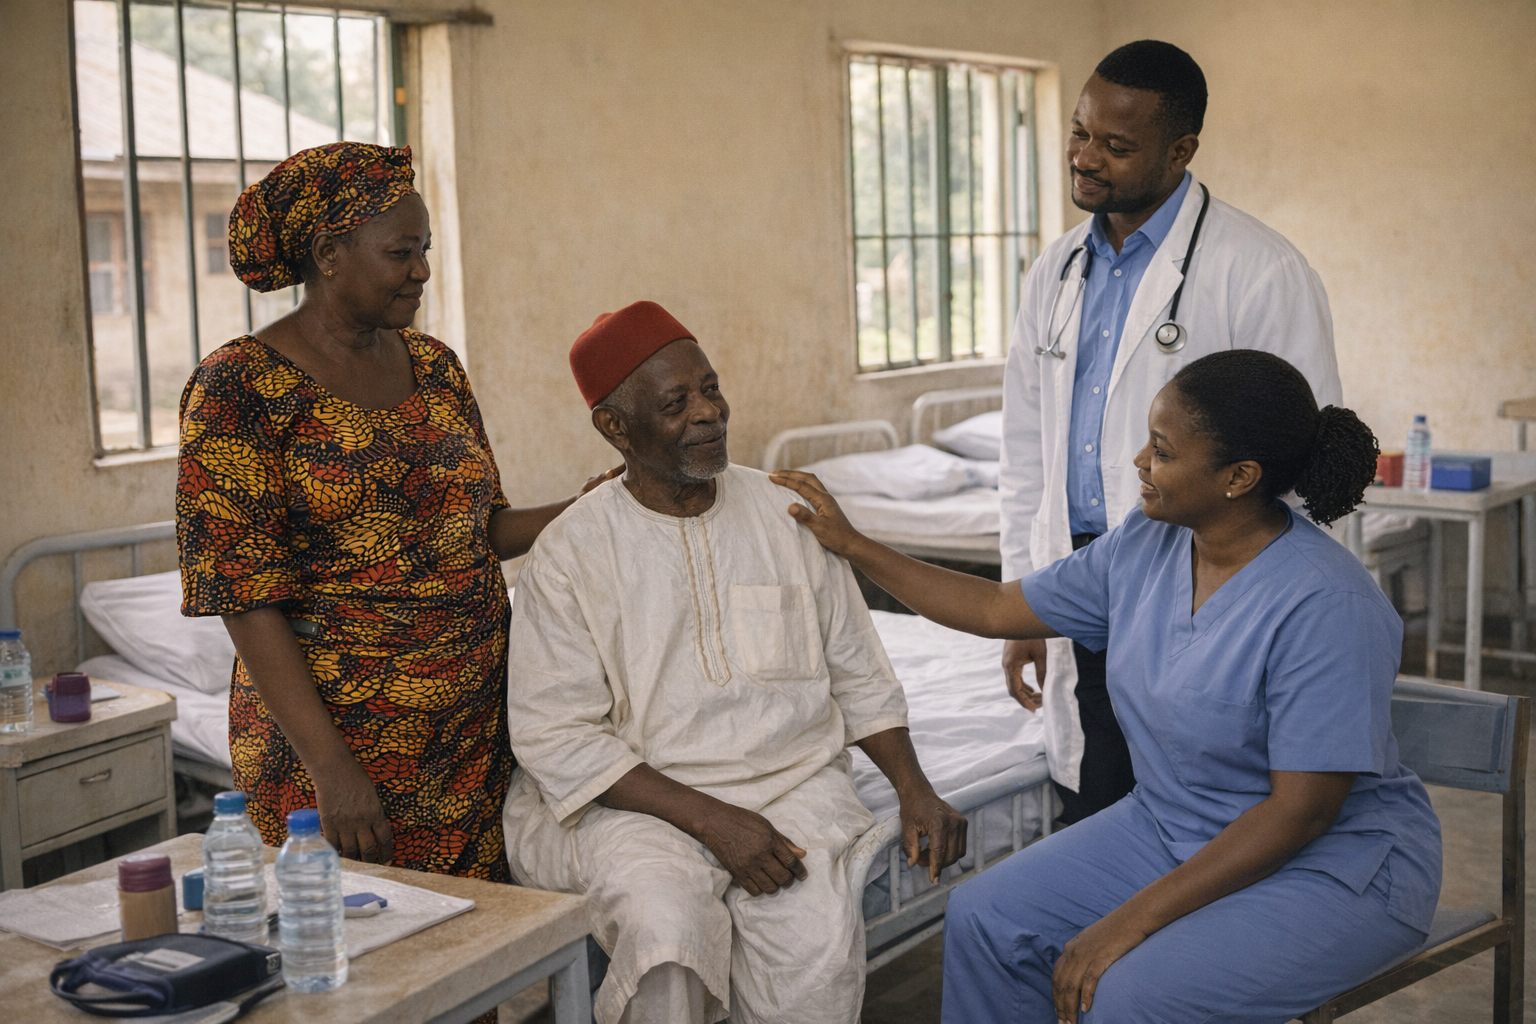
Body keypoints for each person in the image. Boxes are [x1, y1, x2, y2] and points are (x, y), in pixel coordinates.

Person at [774, 349, 1441, 1024]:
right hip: (1173, 825)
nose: (1139, 462)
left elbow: (1301, 813)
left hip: (1333, 866)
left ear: (1239, 477)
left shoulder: (1326, 603)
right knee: (984, 916)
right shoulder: (1146, 545)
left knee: (1126, 993)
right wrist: (854, 545)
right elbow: (996, 608)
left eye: (1162, 451)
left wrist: (1127, 922)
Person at [502, 300, 968, 1024]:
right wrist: (714, 822)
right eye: (676, 403)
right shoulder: (570, 553)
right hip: (636, 806)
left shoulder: (786, 514)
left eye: (711, 388)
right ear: (615, 427)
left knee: (812, 958)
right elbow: (556, 736)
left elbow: (856, 669)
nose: (708, 413)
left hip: (792, 787)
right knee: (666, 933)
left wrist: (915, 787)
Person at [177, 142, 614, 883]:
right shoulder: (238, 388)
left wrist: (585, 507)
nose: (422, 271)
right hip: (342, 748)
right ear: (329, 254)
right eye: (400, 253)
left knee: (480, 937)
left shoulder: (435, 367)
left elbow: (479, 530)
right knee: (361, 937)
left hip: (475, 734)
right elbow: (243, 595)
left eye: (426, 249)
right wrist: (332, 769)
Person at [1000, 40, 1344, 824]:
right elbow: (1025, 450)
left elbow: (1306, 461)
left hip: (1204, 591)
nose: (1085, 157)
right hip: (1078, 580)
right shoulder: (1055, 270)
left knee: (1199, 813)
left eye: (1116, 146)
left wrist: (1270, 628)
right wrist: (1022, 600)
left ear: (1181, 150)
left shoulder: (1260, 270)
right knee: (1095, 802)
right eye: (1080, 132)